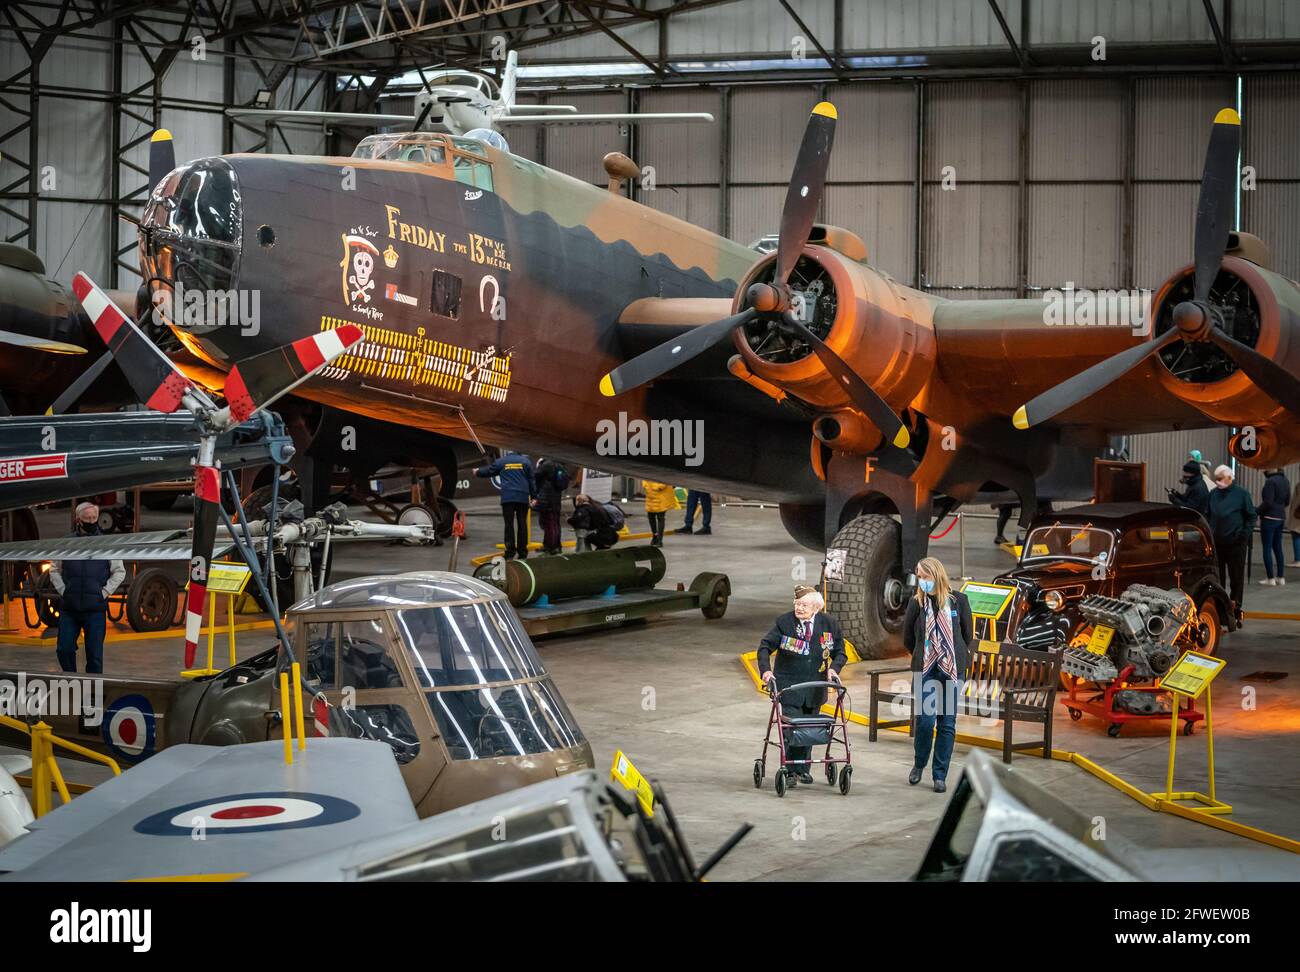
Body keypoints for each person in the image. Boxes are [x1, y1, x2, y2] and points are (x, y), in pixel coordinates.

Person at [757, 586, 846, 786]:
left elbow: (840, 651)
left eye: (803, 604)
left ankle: (803, 769)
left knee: (810, 727)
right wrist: (765, 671)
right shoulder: (785, 622)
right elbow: (764, 647)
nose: (799, 608)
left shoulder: (828, 624)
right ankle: (790, 771)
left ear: (815, 607)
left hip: (815, 688)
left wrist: (834, 669)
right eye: (796, 604)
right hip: (789, 687)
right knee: (794, 728)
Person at [902, 557, 973, 793]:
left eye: (925, 577)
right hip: (926, 669)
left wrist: (949, 655)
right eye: (919, 577)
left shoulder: (958, 601)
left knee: (947, 723)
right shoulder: (916, 604)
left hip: (952, 669)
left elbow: (967, 634)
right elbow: (908, 639)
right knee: (925, 721)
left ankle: (939, 775)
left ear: (937, 575)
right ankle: (919, 763)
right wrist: (925, 655)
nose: (922, 581)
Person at [48, 502, 125, 674]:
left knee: (94, 656)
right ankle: (73, 681)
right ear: (78, 520)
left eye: (94, 518)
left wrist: (103, 593)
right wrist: (64, 591)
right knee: (64, 649)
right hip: (70, 609)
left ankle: (93, 694)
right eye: (87, 518)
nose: (91, 521)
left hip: (95, 610)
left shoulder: (107, 544)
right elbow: (54, 569)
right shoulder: (66, 544)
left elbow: (119, 572)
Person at [1206, 465, 1256, 622]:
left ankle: (1236, 609)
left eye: (1220, 479)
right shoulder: (1213, 494)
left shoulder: (1242, 495)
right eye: (1216, 479)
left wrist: (1243, 535)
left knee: (1236, 578)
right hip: (1217, 544)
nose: (1217, 482)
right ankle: (1221, 611)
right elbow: (1207, 515)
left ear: (1229, 478)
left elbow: (1251, 516)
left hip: (1236, 544)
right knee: (1217, 579)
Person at [475, 450, 535, 559]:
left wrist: (477, 472)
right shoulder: (526, 462)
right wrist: (534, 497)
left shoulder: (501, 462)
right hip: (522, 497)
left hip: (508, 498)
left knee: (509, 525)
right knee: (522, 524)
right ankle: (522, 552)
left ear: (507, 453)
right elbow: (531, 481)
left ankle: (510, 552)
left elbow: (489, 471)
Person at [1258, 468, 1290, 587]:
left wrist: (1256, 511)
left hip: (1269, 518)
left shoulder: (1270, 482)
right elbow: (1287, 501)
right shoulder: (1285, 480)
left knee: (1267, 548)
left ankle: (1270, 578)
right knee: (1278, 548)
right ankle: (1280, 577)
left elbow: (1268, 502)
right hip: (1281, 517)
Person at [532, 458, 569, 555]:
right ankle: (554, 546)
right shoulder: (560, 465)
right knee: (554, 523)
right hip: (556, 499)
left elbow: (536, 476)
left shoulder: (547, 464)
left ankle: (551, 547)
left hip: (547, 500)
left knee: (550, 524)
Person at [641, 480, 675, 547]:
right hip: (651, 494)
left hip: (661, 495)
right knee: (651, 517)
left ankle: (659, 540)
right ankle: (655, 536)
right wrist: (646, 485)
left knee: (660, 518)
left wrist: (657, 486)